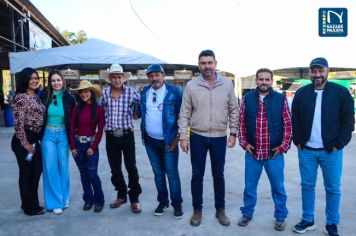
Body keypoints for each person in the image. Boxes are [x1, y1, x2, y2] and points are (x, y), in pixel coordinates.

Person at [292, 58, 355, 236]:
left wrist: (339, 144)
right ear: (310, 72)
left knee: (333, 188)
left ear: (328, 71)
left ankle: (332, 224)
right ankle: (307, 220)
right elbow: (294, 119)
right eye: (314, 71)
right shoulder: (302, 93)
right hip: (306, 150)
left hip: (331, 151)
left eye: (321, 71)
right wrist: (297, 140)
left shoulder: (340, 92)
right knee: (307, 186)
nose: (317, 74)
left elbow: (348, 121)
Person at [178, 50, 239, 226]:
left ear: (215, 63)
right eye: (203, 63)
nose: (207, 66)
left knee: (218, 174)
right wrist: (183, 136)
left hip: (219, 137)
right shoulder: (191, 85)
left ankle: (220, 209)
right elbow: (185, 113)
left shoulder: (227, 84)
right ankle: (197, 210)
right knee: (197, 174)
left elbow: (233, 110)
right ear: (199, 65)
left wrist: (233, 132)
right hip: (198, 136)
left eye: (209, 62)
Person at [237, 68, 292, 231]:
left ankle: (280, 216)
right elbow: (241, 124)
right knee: (249, 187)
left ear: (271, 81)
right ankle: (247, 213)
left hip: (273, 154)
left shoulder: (280, 99)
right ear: (256, 81)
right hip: (253, 153)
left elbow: (288, 125)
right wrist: (244, 143)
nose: (264, 82)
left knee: (278, 188)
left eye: (267, 79)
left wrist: (283, 146)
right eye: (261, 79)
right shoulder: (247, 99)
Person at [136, 64, 183, 218]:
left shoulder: (174, 92)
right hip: (150, 141)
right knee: (158, 174)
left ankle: (177, 204)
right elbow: (138, 113)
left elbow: (183, 116)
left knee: (172, 174)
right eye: (151, 76)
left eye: (157, 75)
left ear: (163, 75)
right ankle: (163, 202)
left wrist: (177, 139)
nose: (154, 78)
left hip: (169, 142)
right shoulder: (144, 93)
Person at [101, 64, 142, 213]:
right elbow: (100, 111)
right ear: (110, 79)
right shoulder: (105, 93)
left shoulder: (132, 93)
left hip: (127, 135)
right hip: (111, 136)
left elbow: (141, 105)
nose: (117, 80)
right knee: (115, 168)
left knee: (131, 167)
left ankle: (134, 199)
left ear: (123, 78)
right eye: (114, 77)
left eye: (119, 77)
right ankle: (121, 195)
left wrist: (138, 114)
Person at [11, 68, 46, 216]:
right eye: (31, 78)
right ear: (25, 79)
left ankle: (33, 203)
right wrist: (25, 144)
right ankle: (29, 207)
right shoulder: (20, 97)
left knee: (37, 171)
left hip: (34, 138)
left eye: (36, 78)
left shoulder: (37, 97)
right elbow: (18, 123)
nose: (34, 80)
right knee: (26, 174)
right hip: (23, 139)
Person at [40, 70, 75, 215]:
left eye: (58, 80)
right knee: (50, 168)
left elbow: (74, 119)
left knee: (64, 167)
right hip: (48, 135)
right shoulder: (44, 96)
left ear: (63, 81)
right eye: (53, 80)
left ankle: (63, 198)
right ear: (50, 82)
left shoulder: (69, 97)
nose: (56, 83)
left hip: (63, 134)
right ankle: (55, 202)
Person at [70, 80, 105, 213]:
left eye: (86, 91)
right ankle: (88, 200)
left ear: (91, 92)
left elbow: (100, 130)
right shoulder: (76, 108)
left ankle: (99, 200)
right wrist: (72, 147)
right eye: (82, 92)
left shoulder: (99, 110)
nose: (84, 94)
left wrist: (94, 147)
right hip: (78, 145)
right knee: (83, 175)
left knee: (92, 174)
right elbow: (72, 128)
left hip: (91, 145)